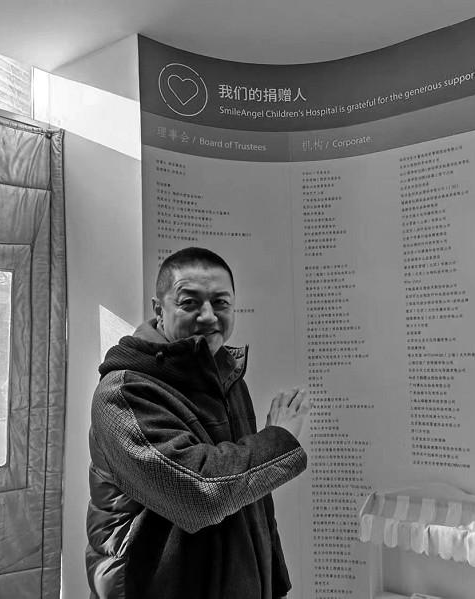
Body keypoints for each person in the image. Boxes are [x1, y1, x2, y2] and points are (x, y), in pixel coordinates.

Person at [86, 247, 310, 599]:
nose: (208, 316)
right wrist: (278, 438)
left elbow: (254, 503)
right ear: (159, 310)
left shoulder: (226, 377)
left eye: (221, 303)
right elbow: (197, 493)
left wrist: (274, 586)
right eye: (190, 302)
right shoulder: (124, 392)